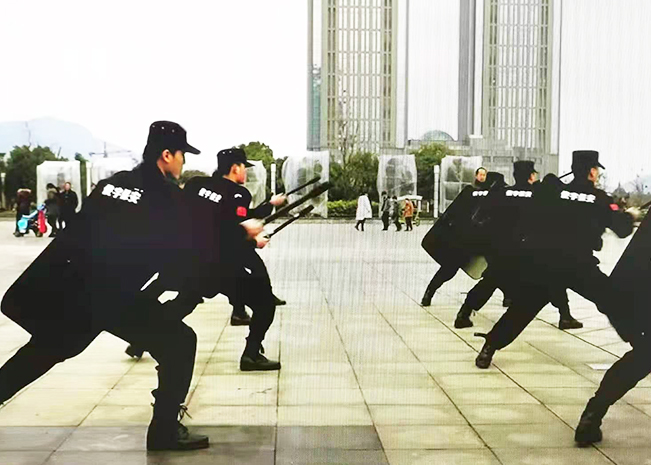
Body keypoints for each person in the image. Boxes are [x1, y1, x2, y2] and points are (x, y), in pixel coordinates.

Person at [0, 121, 215, 451]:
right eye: (181, 154)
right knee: (179, 342)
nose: (183, 161)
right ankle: (164, 432)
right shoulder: (167, 197)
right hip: (112, 295)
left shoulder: (111, 185)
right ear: (166, 154)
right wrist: (241, 237)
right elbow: (189, 242)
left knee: (45, 350)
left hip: (75, 288)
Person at [474, 152, 637, 383]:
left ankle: (489, 347)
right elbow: (622, 229)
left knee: (521, 310)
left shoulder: (555, 192)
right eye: (597, 170)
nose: (598, 174)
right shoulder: (599, 198)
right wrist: (630, 215)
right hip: (579, 265)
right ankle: (640, 345)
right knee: (612, 300)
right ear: (591, 171)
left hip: (545, 264)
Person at [183, 148, 283, 371]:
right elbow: (227, 234)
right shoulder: (239, 194)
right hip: (221, 266)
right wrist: (253, 241)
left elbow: (211, 225)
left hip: (190, 263)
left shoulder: (195, 185)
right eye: (244, 167)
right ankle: (251, 355)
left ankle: (142, 338)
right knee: (265, 305)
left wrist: (268, 207)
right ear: (235, 167)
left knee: (185, 301)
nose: (245, 172)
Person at [453, 161, 582, 330]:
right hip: (528, 248)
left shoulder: (502, 192)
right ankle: (565, 316)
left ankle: (464, 314)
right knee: (553, 278)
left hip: (501, 248)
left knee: (490, 281)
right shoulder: (537, 194)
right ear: (531, 176)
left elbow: (483, 214)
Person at [420, 167, 490, 306]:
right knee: (449, 269)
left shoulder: (491, 193)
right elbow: (455, 211)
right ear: (476, 176)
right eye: (480, 174)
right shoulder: (469, 191)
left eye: (484, 175)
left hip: (480, 238)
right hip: (463, 238)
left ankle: (508, 297)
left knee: (496, 268)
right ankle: (429, 292)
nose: (482, 177)